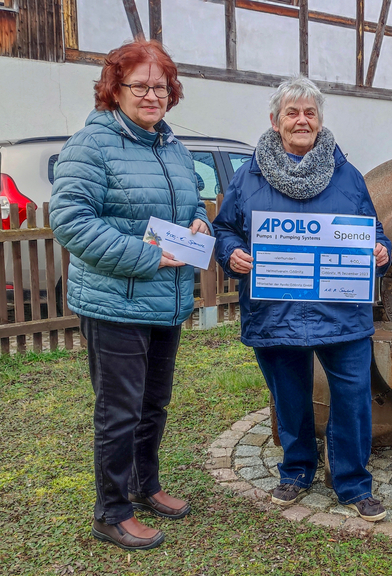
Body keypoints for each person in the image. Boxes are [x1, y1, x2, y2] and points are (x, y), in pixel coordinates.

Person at [50, 39, 211, 550]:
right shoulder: (91, 145)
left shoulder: (173, 147)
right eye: (139, 85)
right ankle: (111, 511)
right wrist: (143, 257)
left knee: (153, 404)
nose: (151, 95)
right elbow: (70, 221)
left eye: (160, 87)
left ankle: (145, 487)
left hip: (164, 301)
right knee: (119, 410)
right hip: (115, 301)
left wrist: (200, 223)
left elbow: (194, 201)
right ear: (114, 89)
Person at [213, 76, 391, 522]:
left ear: (320, 121)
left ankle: (351, 482)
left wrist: (380, 252)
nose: (301, 120)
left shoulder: (346, 174)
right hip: (275, 312)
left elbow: (373, 230)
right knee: (290, 398)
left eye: (309, 112)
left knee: (352, 399)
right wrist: (229, 252)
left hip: (341, 313)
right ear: (275, 121)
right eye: (292, 112)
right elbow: (224, 228)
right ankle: (296, 471)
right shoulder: (249, 174)